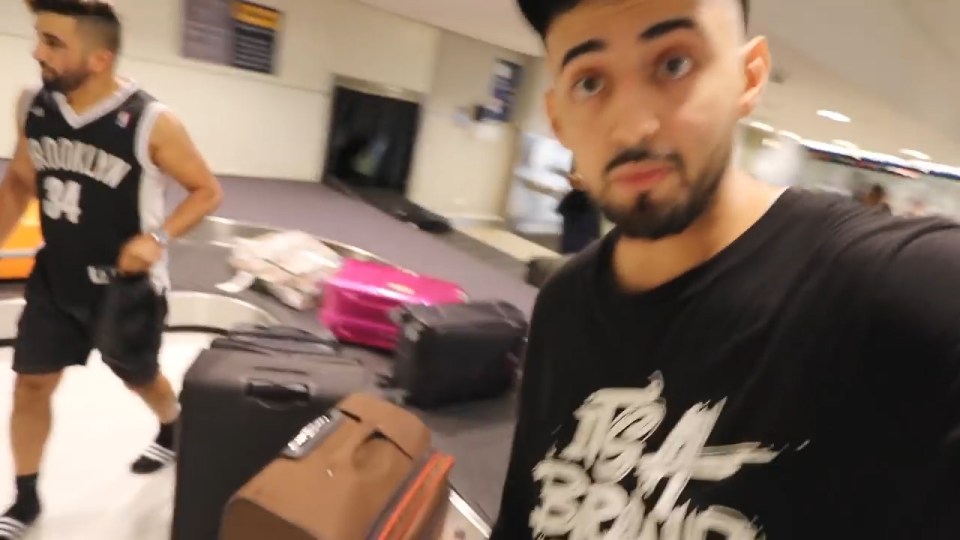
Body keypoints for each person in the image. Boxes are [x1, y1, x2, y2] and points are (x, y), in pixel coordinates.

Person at [492, 0, 960, 538]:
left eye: (674, 65)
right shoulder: (562, 304)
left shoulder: (891, 290)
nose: (634, 128)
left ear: (749, 77)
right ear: (558, 119)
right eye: (590, 83)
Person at [0, 1, 222, 537]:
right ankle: (25, 498)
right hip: (56, 278)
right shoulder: (34, 103)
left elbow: (207, 191)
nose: (38, 51)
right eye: (39, 37)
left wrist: (157, 237)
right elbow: (21, 181)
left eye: (54, 42)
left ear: (99, 58)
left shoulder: (151, 121)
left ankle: (172, 426)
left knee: (141, 379)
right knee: (31, 386)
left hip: (126, 289)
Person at [557, 167, 602, 254]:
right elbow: (562, 209)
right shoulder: (576, 195)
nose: (570, 178)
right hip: (571, 242)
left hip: (580, 246)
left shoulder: (589, 198)